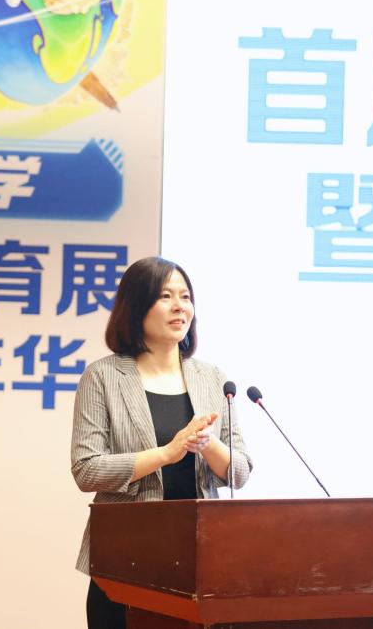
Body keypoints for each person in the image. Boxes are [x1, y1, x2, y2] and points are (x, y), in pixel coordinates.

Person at [70, 256, 252, 629]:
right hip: (125, 559)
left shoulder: (212, 378)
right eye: (166, 296)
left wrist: (207, 444)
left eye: (185, 296)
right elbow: (86, 470)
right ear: (137, 306)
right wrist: (167, 453)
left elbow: (239, 472)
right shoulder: (103, 377)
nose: (179, 306)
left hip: (200, 562)